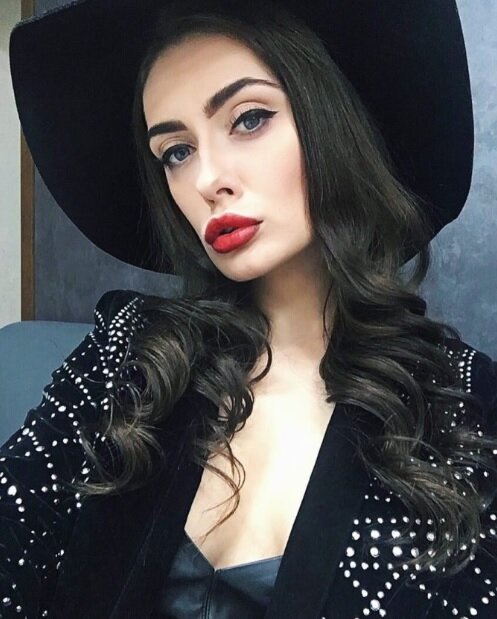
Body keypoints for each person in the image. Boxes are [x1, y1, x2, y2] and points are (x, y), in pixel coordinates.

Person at [3, 0, 497, 617]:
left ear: (329, 120)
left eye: (249, 118)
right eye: (176, 152)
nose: (207, 179)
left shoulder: (463, 405)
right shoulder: (129, 352)